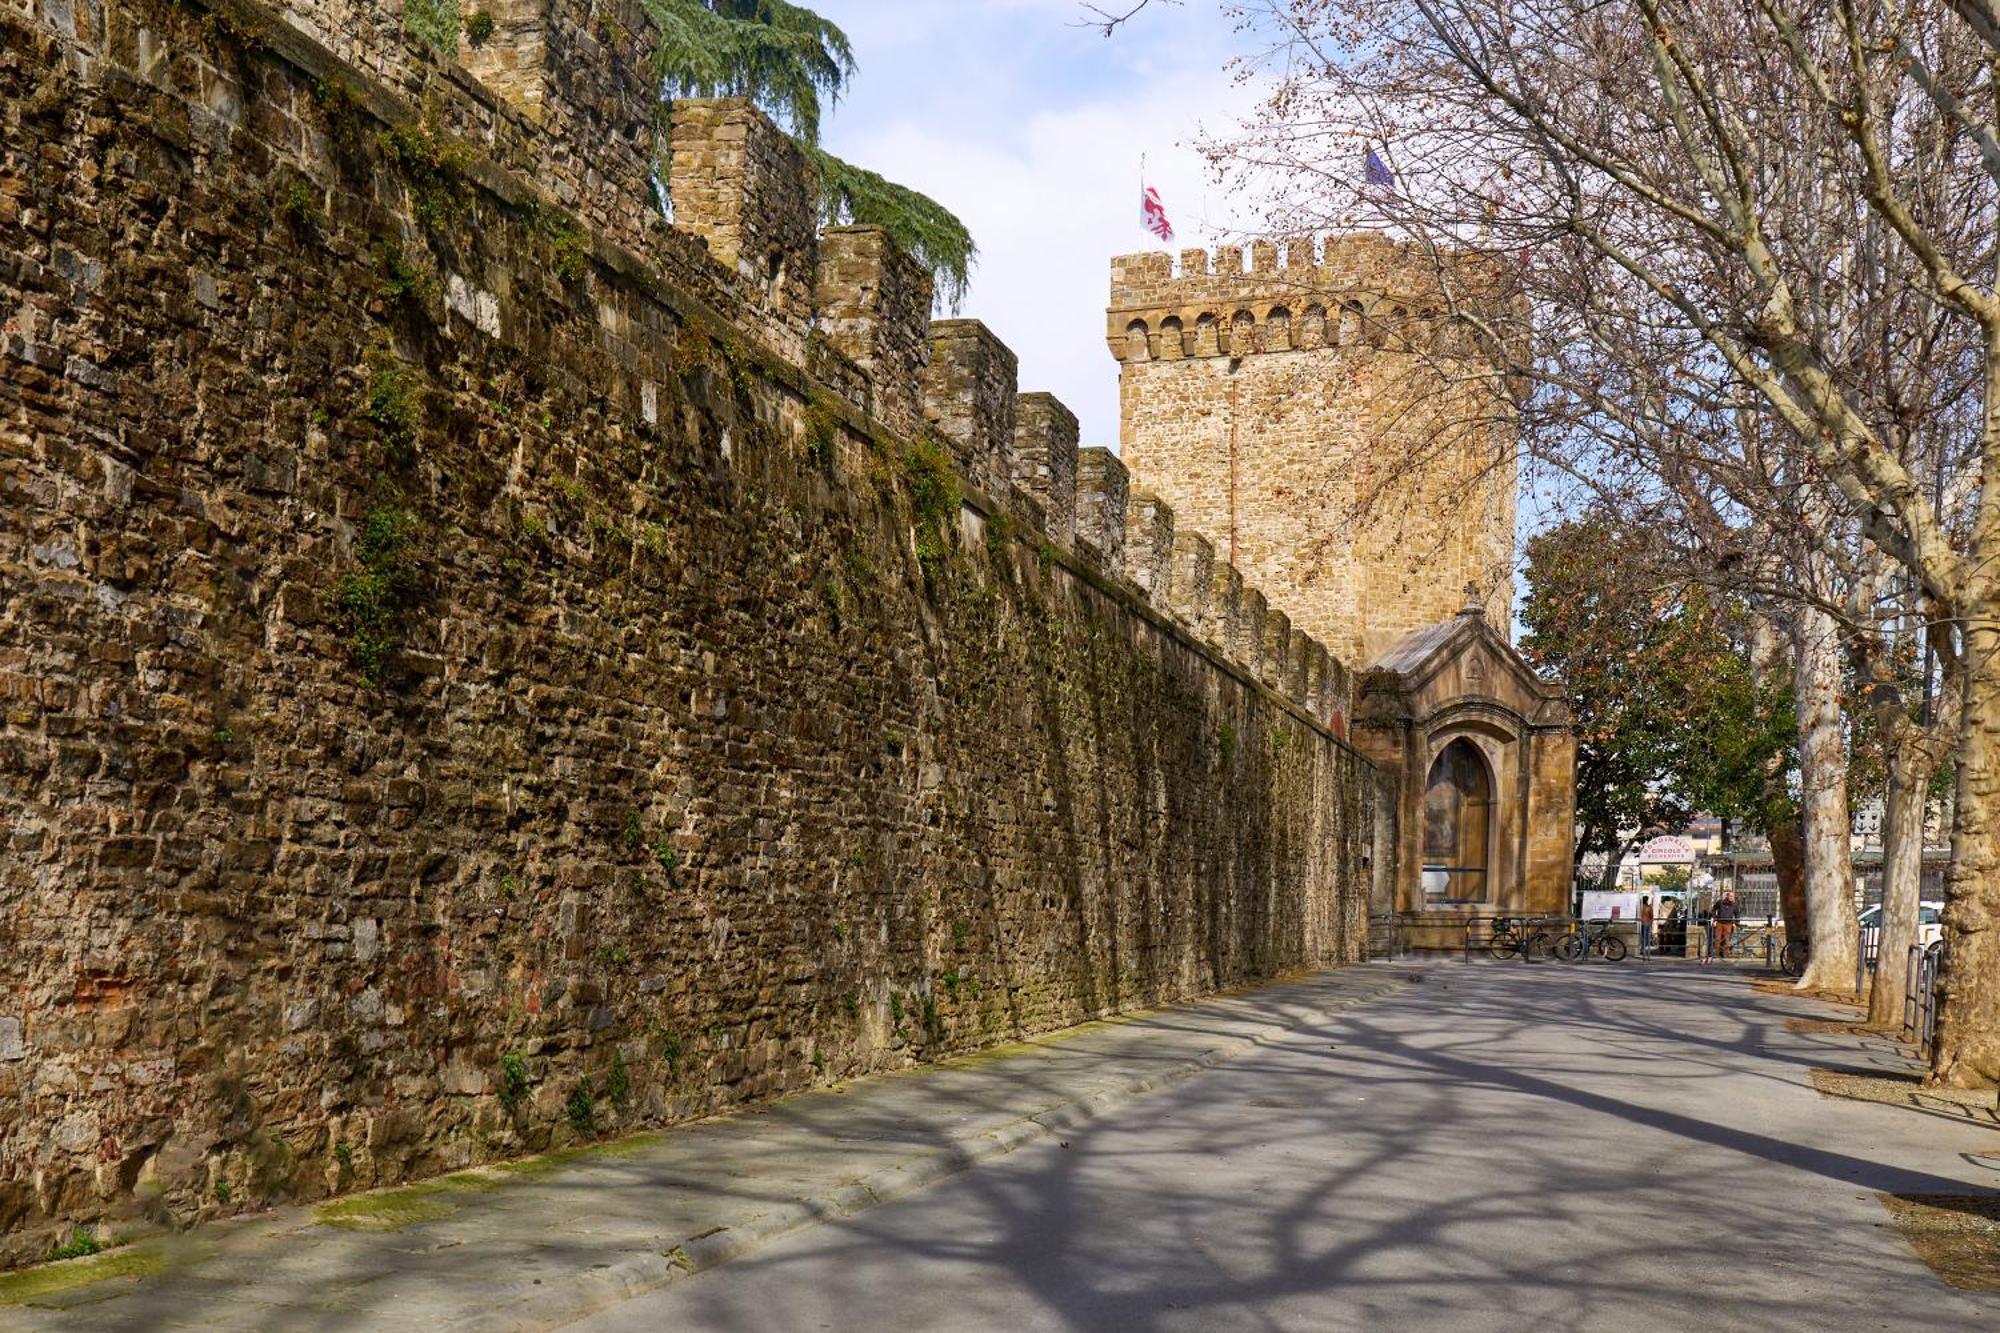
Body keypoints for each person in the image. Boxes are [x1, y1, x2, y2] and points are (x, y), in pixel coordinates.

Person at [1708, 890, 1741, 964]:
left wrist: (1737, 922)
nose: (1732, 898)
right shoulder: (1720, 902)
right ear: (1727, 896)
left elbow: (1737, 913)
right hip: (1719, 922)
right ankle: (1716, 954)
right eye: (1731, 896)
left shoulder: (1735, 904)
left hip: (1728, 923)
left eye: (1733, 896)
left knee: (1727, 939)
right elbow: (1714, 909)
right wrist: (1715, 918)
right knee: (1717, 938)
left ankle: (1725, 954)